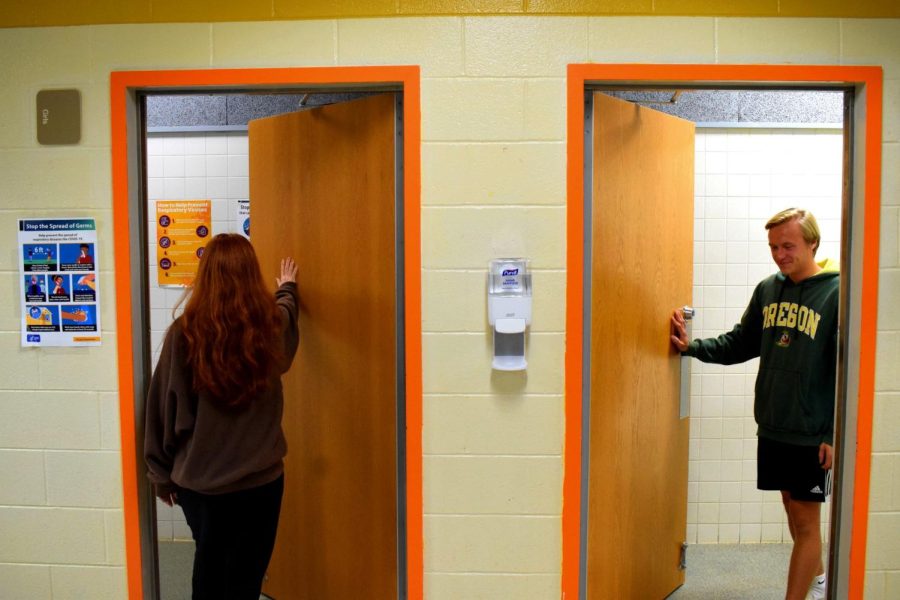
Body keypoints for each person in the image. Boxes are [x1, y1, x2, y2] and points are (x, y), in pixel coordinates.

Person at [670, 208, 838, 600]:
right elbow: (741, 342)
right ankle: (820, 582)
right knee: (792, 509)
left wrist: (832, 431)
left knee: (806, 521)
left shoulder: (836, 292)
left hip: (811, 430)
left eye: (788, 245)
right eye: (774, 246)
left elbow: (846, 370)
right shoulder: (768, 289)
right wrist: (692, 347)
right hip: (774, 423)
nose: (780, 254)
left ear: (812, 242)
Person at [144, 233, 299, 600]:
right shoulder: (269, 330)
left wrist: (160, 476)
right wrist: (288, 289)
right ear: (251, 275)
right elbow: (287, 321)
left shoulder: (184, 336)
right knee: (247, 579)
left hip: (203, 488)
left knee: (210, 578)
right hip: (262, 485)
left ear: (206, 275)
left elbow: (164, 412)